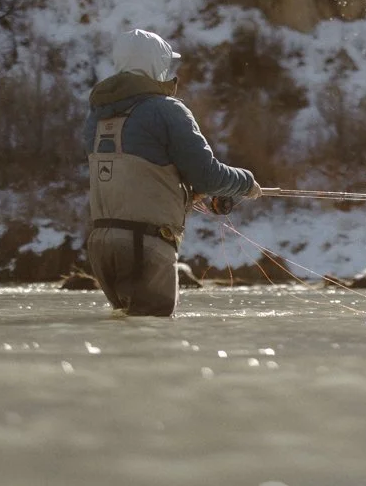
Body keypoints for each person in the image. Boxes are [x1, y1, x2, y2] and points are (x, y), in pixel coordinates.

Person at [82, 28, 261, 316]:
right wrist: (246, 182)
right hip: (146, 245)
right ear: (156, 64)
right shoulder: (166, 110)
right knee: (154, 336)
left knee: (126, 334)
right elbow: (209, 177)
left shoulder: (95, 118)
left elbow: (140, 174)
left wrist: (187, 191)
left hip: (101, 246)